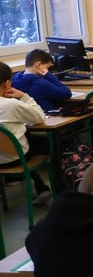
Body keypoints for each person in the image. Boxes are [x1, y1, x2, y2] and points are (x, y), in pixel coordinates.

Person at [0, 61, 51, 204]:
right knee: (43, 141)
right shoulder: (12, 105)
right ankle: (47, 188)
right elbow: (40, 117)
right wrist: (24, 97)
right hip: (15, 159)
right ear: (7, 83)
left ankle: (39, 187)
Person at [12, 49, 72, 113]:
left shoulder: (14, 79)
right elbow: (66, 94)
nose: (48, 70)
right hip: (47, 116)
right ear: (39, 65)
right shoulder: (40, 84)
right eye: (47, 67)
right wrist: (50, 76)